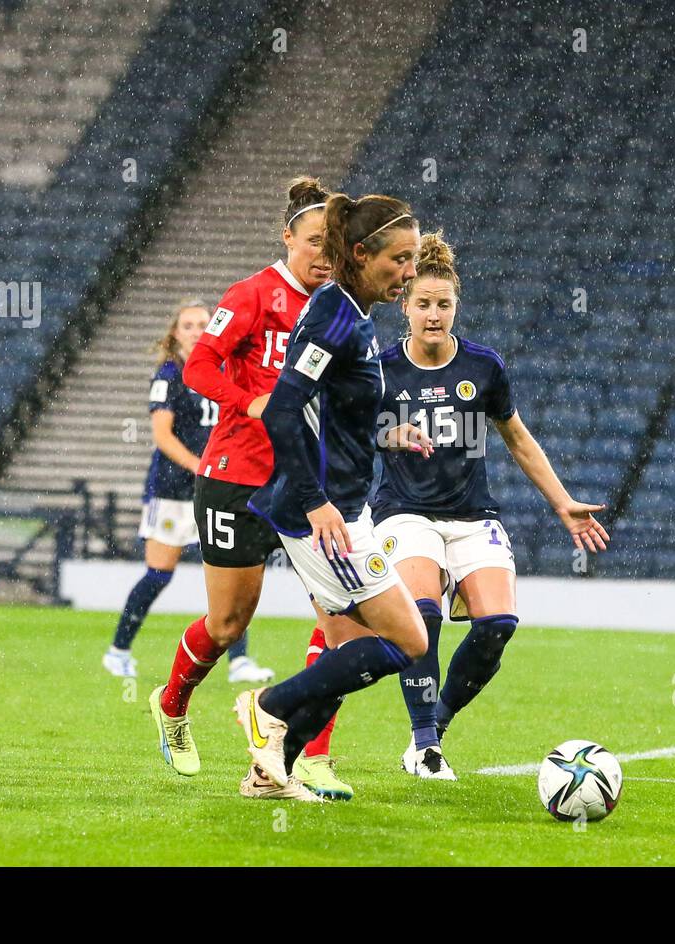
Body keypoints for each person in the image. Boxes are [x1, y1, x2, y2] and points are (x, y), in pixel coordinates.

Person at [372, 232, 610, 779]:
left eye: (444, 305)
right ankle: (426, 745)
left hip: (472, 515)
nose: (434, 315)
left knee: (498, 624)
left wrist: (563, 503)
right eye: (424, 304)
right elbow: (351, 435)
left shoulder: (484, 367)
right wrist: (387, 436)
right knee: (424, 614)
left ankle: (438, 723)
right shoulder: (381, 370)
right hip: (404, 512)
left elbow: (518, 439)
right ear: (404, 305)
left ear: (457, 306)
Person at [147, 177, 350, 802]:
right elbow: (200, 364)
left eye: (334, 247)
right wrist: (251, 401)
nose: (324, 257)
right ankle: (173, 702)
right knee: (230, 624)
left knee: (341, 622)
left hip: (307, 485)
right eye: (314, 243)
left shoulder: (338, 307)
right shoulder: (254, 294)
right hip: (236, 478)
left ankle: (306, 759)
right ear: (287, 238)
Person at [234, 192, 435, 792]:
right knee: (408, 639)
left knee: (348, 654)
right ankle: (265, 706)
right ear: (359, 252)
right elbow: (283, 413)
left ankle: (272, 773)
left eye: (413, 259)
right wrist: (317, 500)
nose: (407, 274)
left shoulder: (353, 313)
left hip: (339, 506)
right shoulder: (335, 317)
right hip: (327, 516)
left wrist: (385, 433)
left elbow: (333, 413)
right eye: (398, 260)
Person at [102, 299, 270, 682]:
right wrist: (200, 467)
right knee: (159, 574)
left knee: (234, 569)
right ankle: (119, 649)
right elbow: (161, 435)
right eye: (189, 325)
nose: (197, 331)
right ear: (175, 333)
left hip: (217, 490)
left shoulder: (223, 369)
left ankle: (239, 661)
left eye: (203, 324)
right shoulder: (170, 373)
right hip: (173, 491)